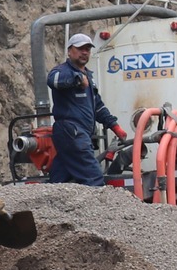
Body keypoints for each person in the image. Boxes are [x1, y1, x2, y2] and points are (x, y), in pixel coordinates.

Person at [46, 33, 127, 186]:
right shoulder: (62, 71)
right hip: (71, 132)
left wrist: (114, 126)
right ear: (69, 51)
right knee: (94, 178)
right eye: (80, 48)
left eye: (88, 49)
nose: (85, 52)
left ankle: (47, 204)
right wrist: (76, 79)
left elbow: (97, 106)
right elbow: (52, 80)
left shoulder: (88, 76)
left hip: (79, 134)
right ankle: (102, 207)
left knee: (59, 179)